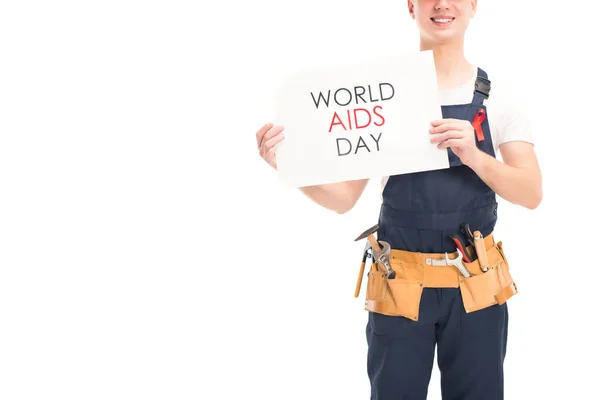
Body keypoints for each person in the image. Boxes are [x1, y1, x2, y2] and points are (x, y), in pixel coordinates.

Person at [255, 0, 542, 398]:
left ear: (474, 5)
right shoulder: (385, 96)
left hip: (478, 285)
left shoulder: (501, 97)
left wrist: (475, 156)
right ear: (411, 6)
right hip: (400, 287)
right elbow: (343, 199)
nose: (442, 4)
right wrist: (288, 166)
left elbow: (530, 193)